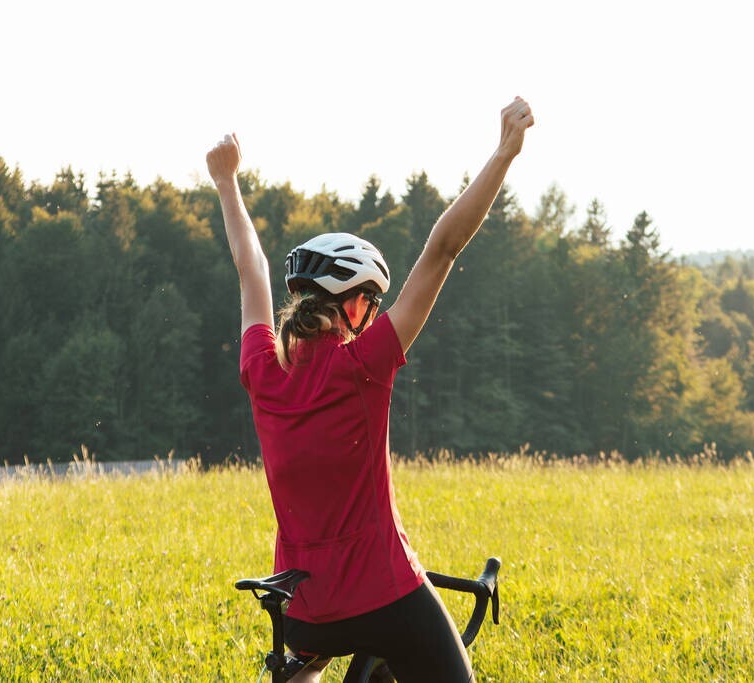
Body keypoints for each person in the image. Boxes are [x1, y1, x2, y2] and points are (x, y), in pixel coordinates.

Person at [207, 97, 534, 682]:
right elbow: (443, 249)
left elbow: (250, 268)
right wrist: (503, 154)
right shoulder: (363, 364)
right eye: (371, 304)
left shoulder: (262, 367)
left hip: (304, 608)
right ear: (355, 303)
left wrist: (226, 180)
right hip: (385, 598)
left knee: (298, 667)